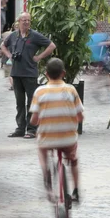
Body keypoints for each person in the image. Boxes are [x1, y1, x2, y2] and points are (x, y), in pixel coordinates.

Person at [29, 58, 83, 202]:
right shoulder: (71, 90)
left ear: (46, 74)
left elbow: (33, 120)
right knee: (73, 159)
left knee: (41, 148)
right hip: (68, 138)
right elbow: (80, 117)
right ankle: (76, 190)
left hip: (48, 138)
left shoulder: (39, 92)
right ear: (63, 73)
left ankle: (46, 174)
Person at [1, 12, 56, 139]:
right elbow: (3, 46)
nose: (26, 22)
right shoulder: (13, 36)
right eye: (23, 20)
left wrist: (39, 57)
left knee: (31, 103)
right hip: (16, 73)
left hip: (30, 73)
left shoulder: (35, 35)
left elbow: (51, 45)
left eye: (28, 21)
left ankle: (31, 129)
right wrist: (9, 55)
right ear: (18, 22)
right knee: (19, 103)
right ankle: (20, 128)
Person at [2, 22, 18, 91]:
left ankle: (13, 86)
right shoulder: (19, 35)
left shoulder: (7, 34)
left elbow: (3, 45)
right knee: (13, 72)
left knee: (10, 73)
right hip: (15, 56)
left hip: (9, 56)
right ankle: (14, 85)